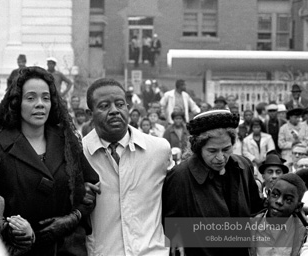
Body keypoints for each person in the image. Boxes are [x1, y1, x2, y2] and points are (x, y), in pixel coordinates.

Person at [0, 66, 99, 256]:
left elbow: (90, 192)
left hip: (66, 249)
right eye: (31, 98)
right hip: (21, 250)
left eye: (45, 98)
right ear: (17, 102)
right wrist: (13, 230)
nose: (40, 104)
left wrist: (72, 218)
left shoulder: (66, 141)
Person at [83, 78, 172, 255]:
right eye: (104, 106)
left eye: (119, 104)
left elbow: (176, 202)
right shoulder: (77, 154)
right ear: (89, 113)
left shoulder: (159, 150)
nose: (114, 111)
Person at [162, 109, 264, 256]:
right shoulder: (180, 177)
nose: (221, 157)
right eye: (212, 151)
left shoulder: (243, 166)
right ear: (198, 148)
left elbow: (256, 210)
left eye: (226, 149)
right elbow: (171, 229)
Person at [250, 173, 308, 256]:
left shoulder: (303, 235)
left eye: (288, 200)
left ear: (298, 207)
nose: (279, 201)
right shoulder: (249, 226)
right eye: (275, 195)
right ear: (269, 195)